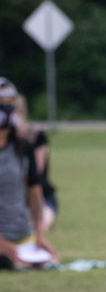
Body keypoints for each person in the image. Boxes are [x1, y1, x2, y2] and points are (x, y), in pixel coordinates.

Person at [0, 99, 56, 269]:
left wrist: (39, 236)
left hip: (22, 236)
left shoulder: (24, 148)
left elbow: (35, 194)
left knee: (47, 261)